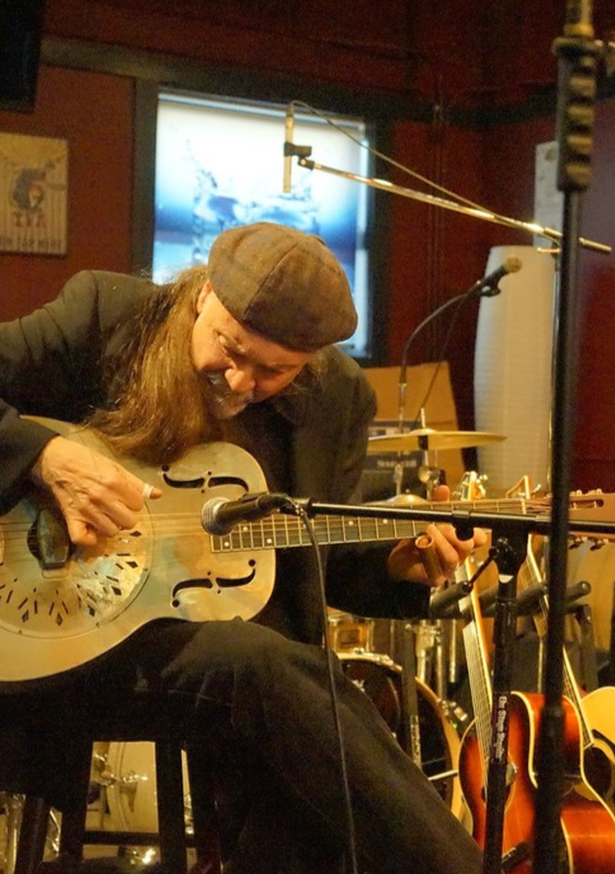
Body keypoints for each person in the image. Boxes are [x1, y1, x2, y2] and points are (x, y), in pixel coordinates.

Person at [0, 221, 486, 874]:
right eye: (229, 347)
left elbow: (311, 559)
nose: (237, 379)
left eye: (273, 370)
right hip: (48, 639)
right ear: (203, 294)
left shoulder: (337, 400)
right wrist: (44, 456)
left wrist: (396, 564)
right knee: (263, 668)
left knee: (288, 687)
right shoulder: (104, 317)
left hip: (208, 658)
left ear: (310, 361)